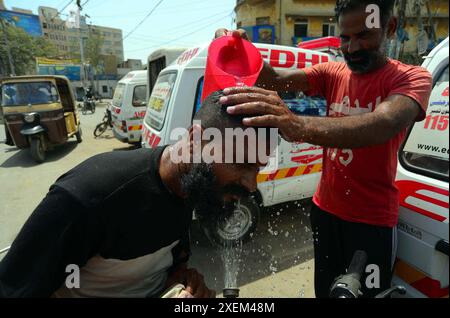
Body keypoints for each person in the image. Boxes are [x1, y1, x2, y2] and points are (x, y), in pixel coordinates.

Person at [216, 0, 432, 297]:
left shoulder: (411, 77)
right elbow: (275, 80)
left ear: (390, 28)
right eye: (345, 37)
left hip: (371, 221)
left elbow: (383, 123)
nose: (352, 47)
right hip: (325, 211)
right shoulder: (332, 72)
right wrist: (238, 50)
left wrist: (297, 125)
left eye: (364, 36)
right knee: (325, 292)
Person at [0, 91, 271, 298]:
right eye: (241, 164)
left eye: (257, 169)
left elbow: (161, 263)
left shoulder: (194, 185)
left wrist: (182, 281)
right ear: (196, 140)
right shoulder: (89, 196)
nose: (251, 185)